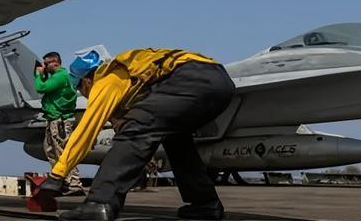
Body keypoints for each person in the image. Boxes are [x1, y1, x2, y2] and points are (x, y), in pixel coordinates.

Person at [39, 48, 235, 221]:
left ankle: (100, 202)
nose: (85, 94)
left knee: (137, 128)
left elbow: (87, 131)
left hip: (190, 77)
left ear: (87, 80)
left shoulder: (106, 78)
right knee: (175, 138)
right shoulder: (130, 73)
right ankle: (205, 204)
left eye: (81, 89)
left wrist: (57, 174)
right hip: (219, 81)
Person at [34, 51, 84, 196]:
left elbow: (41, 88)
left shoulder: (60, 76)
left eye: (46, 63)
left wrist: (38, 75)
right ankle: (61, 181)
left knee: (62, 152)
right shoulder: (61, 76)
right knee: (51, 150)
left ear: (55, 63)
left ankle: (74, 184)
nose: (44, 66)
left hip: (59, 120)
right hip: (54, 119)